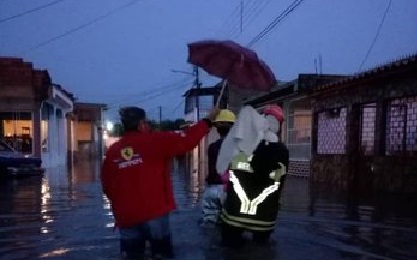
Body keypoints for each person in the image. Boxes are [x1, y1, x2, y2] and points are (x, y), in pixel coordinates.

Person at [101, 106, 219, 259]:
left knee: (131, 256)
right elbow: (188, 140)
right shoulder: (156, 141)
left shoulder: (112, 152)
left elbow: (107, 186)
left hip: (126, 217)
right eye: (147, 122)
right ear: (142, 124)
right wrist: (208, 121)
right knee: (161, 254)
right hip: (154, 213)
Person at [219, 104, 289, 248]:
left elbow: (226, 172)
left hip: (234, 213)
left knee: (229, 252)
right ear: (279, 125)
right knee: (262, 252)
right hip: (264, 216)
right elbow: (280, 182)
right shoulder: (282, 151)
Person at [201, 109, 236, 226]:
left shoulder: (212, 147)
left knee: (209, 224)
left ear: (217, 128)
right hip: (228, 189)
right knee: (228, 224)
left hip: (211, 189)